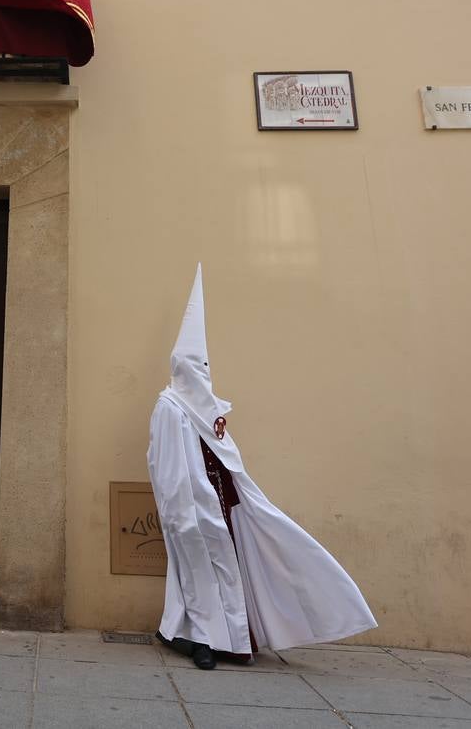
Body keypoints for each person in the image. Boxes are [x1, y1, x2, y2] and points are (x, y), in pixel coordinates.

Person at [147, 265, 377, 670]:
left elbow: (225, 456)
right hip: (190, 509)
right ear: (180, 366)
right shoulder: (169, 407)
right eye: (195, 367)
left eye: (205, 367)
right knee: (198, 574)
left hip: (224, 504)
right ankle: (200, 638)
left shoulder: (206, 406)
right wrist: (179, 511)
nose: (203, 374)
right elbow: (166, 466)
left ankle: (234, 640)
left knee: (231, 570)